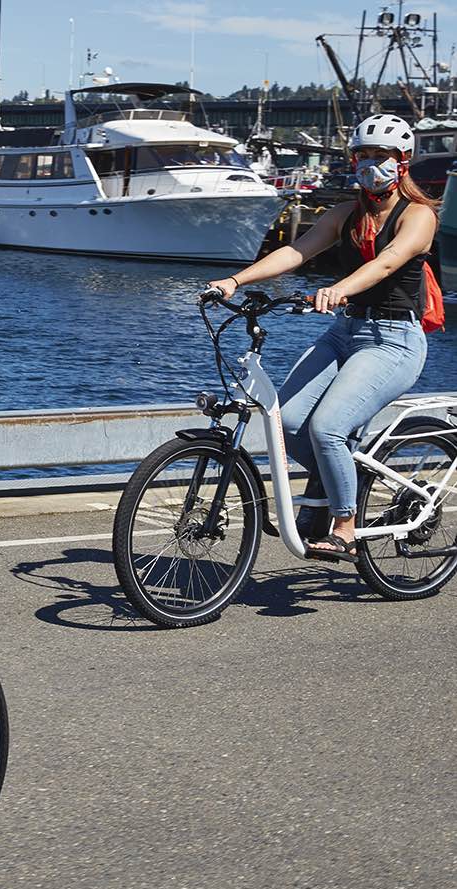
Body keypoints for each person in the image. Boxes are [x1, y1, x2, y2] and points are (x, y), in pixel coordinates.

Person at [207, 113, 435, 562]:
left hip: (394, 340)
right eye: (363, 155)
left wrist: (338, 289)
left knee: (327, 427)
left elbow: (387, 263)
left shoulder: (419, 216)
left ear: (402, 162)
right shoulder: (344, 214)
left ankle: (345, 526)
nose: (370, 163)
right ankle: (337, 481)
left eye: (381, 156)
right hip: (345, 332)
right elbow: (296, 251)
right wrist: (235, 282)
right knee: (288, 424)